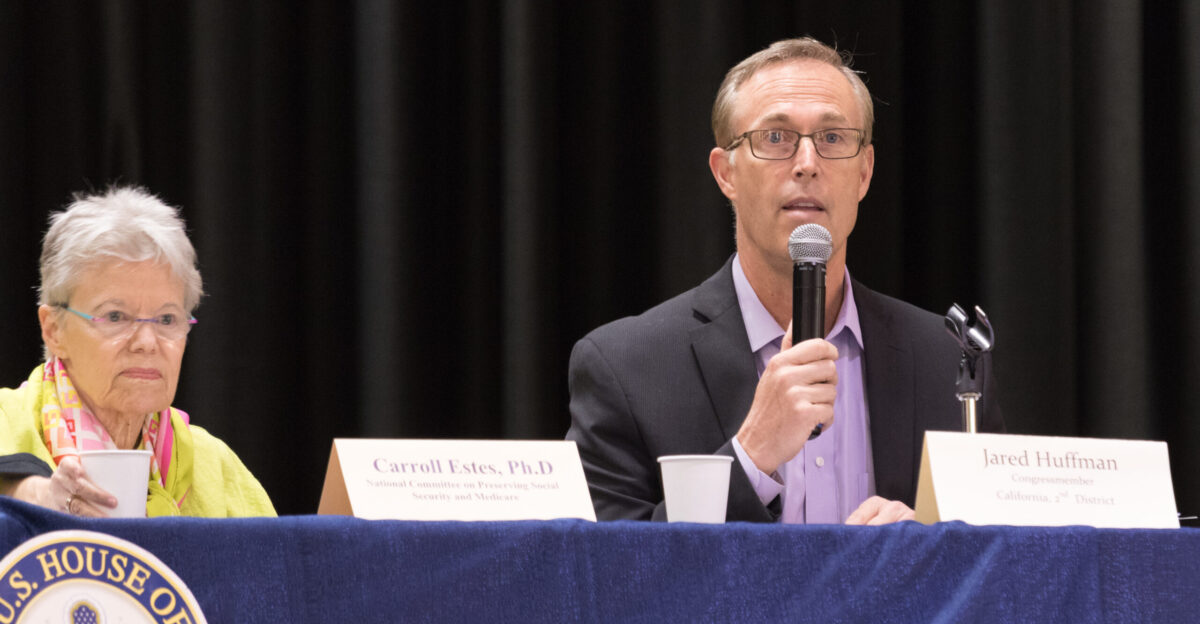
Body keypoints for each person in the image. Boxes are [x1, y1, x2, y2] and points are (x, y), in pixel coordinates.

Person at [566, 37, 1003, 524]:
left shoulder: (947, 361)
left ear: (864, 173)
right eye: (775, 138)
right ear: (725, 173)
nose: (807, 163)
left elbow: (1008, 566)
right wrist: (751, 456)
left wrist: (930, 549)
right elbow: (606, 579)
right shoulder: (626, 369)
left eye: (834, 138)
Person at [0, 187, 275, 518]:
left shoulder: (217, 467)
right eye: (115, 316)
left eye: (167, 318)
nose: (147, 341)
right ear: (54, 330)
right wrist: (26, 497)